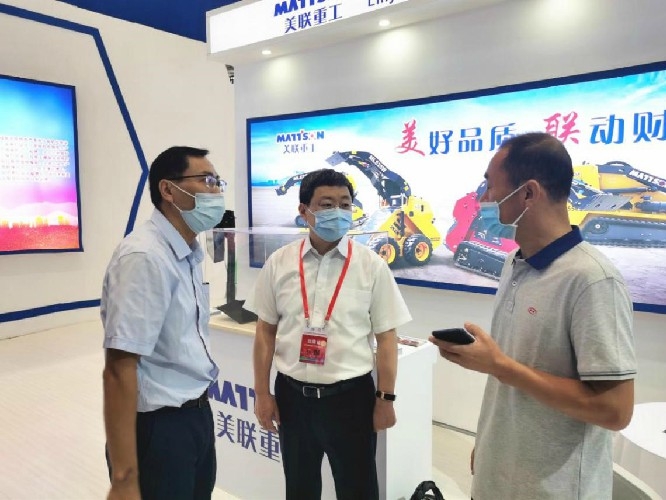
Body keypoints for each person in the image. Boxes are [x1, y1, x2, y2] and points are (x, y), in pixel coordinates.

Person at [430, 132, 637, 499]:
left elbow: (614, 410)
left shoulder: (592, 280)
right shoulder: (515, 261)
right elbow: (514, 375)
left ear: (528, 193)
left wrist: (499, 366)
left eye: (491, 186)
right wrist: (489, 444)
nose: (483, 198)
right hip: (499, 476)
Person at [246, 168, 412, 500]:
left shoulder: (371, 266)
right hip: (293, 399)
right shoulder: (279, 263)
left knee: (358, 490)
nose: (338, 211)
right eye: (326, 204)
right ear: (303, 210)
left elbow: (387, 338)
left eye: (345, 204)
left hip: (351, 399)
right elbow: (265, 331)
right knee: (300, 488)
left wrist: (386, 399)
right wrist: (263, 393)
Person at [101, 146, 226, 500]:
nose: (217, 191)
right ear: (168, 190)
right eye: (207, 181)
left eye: (218, 182)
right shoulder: (145, 256)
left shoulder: (187, 252)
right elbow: (119, 368)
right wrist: (124, 478)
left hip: (195, 414)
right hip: (159, 427)